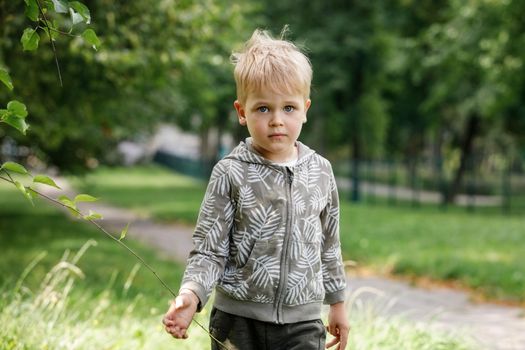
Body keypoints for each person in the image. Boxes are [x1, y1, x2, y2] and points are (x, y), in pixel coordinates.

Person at [163, 28, 349, 350]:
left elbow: (329, 246)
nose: (277, 120)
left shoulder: (321, 171)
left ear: (305, 109)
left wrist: (338, 304)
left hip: (303, 323)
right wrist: (190, 293)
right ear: (241, 112)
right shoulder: (230, 172)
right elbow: (209, 248)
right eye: (263, 108)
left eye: (288, 108)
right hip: (237, 321)